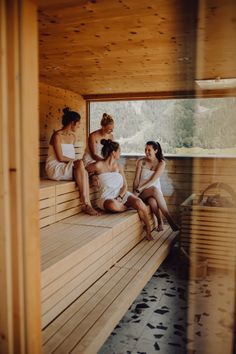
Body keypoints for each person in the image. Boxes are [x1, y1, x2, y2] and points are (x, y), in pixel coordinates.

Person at [87, 139, 154, 241]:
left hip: (121, 195)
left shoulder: (119, 166)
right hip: (106, 197)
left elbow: (125, 186)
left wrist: (120, 197)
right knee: (112, 205)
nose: (120, 153)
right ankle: (127, 207)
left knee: (139, 202)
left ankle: (148, 229)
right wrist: (92, 176)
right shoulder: (98, 165)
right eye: (119, 151)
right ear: (113, 152)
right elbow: (83, 170)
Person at [45, 107, 99, 216]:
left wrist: (77, 163)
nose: (79, 126)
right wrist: (77, 162)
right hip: (55, 167)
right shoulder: (57, 136)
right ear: (72, 123)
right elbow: (60, 157)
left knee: (83, 169)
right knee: (81, 165)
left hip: (67, 166)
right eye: (78, 124)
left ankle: (87, 204)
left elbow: (70, 158)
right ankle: (85, 203)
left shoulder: (73, 137)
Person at [133, 141, 179, 231]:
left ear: (156, 150)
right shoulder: (141, 162)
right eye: (145, 149)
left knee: (152, 201)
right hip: (141, 193)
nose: (146, 152)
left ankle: (160, 222)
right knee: (154, 190)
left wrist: (140, 188)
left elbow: (152, 180)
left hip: (153, 192)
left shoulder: (161, 163)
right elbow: (136, 179)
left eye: (149, 150)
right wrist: (135, 193)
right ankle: (170, 220)